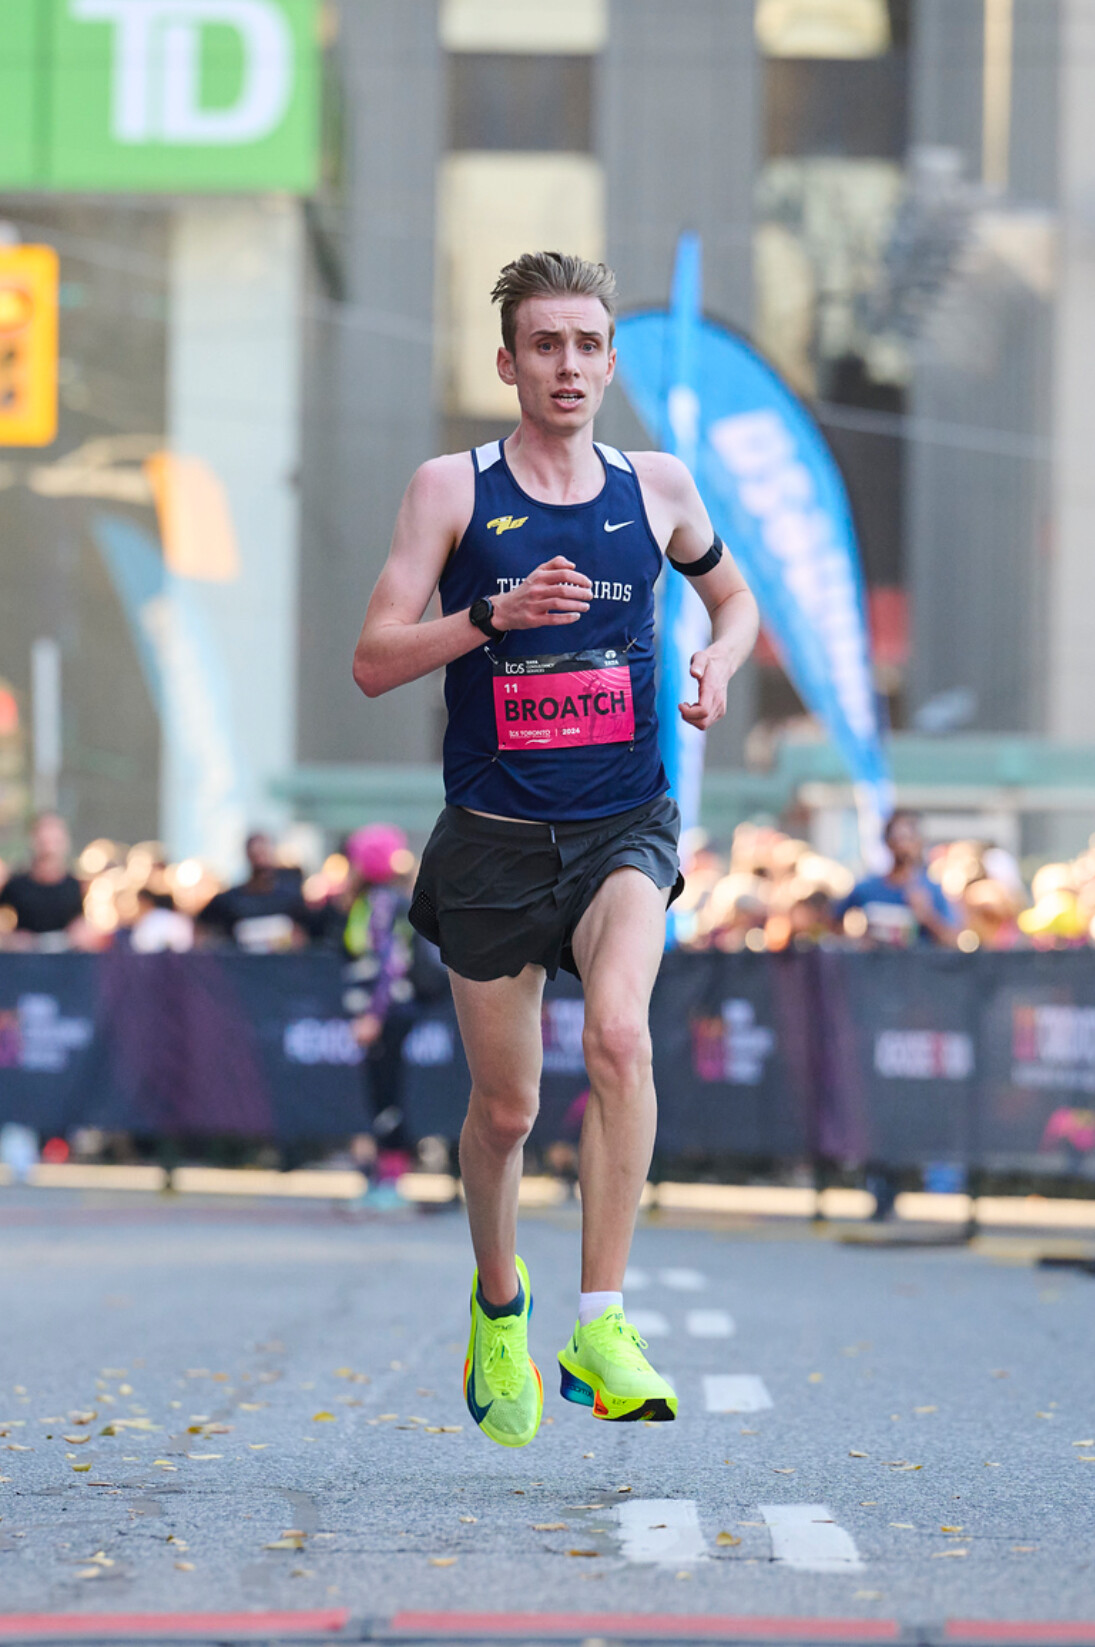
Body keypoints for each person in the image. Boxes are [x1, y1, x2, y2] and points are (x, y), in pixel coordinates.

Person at [352, 251, 758, 1448]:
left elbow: (736, 601)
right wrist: (492, 616)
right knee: (507, 1110)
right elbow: (373, 660)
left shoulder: (659, 486)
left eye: (587, 345)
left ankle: (602, 1324)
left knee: (622, 1035)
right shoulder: (451, 490)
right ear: (508, 363)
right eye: (546, 346)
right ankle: (498, 1304)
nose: (567, 366)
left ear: (610, 361)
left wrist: (718, 659)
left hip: (625, 823)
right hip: (492, 842)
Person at [836, 811, 958, 947]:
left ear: (919, 842)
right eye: (898, 838)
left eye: (909, 838)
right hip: (877, 959)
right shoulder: (867, 888)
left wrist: (927, 916)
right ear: (888, 842)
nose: (903, 846)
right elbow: (833, 922)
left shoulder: (932, 890)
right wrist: (855, 940)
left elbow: (952, 939)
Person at [196, 830, 310, 951]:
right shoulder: (229, 900)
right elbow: (201, 928)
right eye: (256, 853)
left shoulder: (291, 899)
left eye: (264, 851)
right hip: (239, 961)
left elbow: (305, 935)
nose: (260, 858)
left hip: (282, 961)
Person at [0, 813, 88, 950]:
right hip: (23, 959)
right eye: (44, 842)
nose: (49, 848)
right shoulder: (14, 887)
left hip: (67, 959)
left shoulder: (76, 888)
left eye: (55, 841)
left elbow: (89, 931)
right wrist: (12, 940)